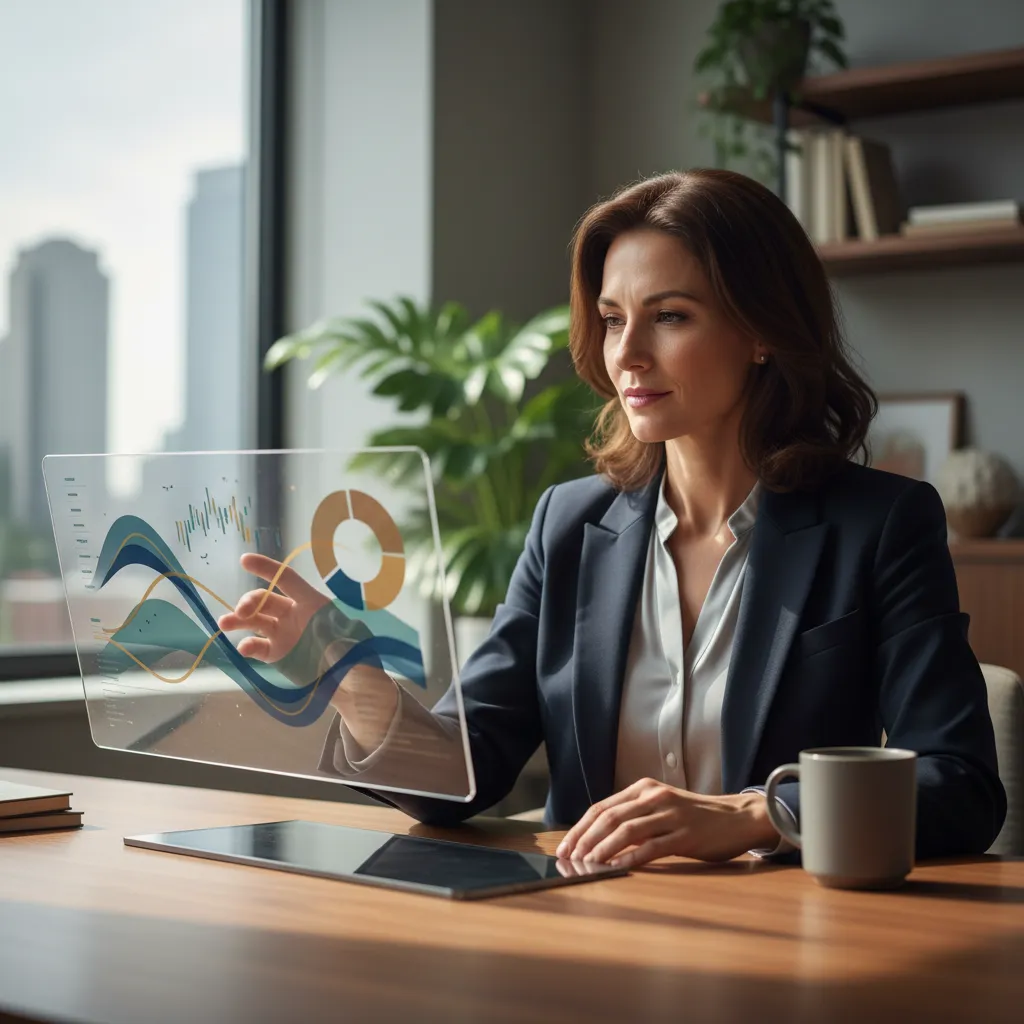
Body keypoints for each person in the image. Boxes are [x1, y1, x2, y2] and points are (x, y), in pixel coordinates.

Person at [219, 168, 1006, 868]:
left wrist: (754, 814)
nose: (625, 354)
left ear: (761, 331)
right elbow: (468, 774)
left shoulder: (882, 524)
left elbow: (959, 786)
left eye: (668, 316)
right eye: (611, 316)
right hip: (585, 927)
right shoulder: (569, 522)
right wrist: (352, 682)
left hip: (786, 941)